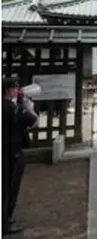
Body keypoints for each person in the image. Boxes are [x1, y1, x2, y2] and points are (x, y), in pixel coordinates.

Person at [2, 78, 38, 236]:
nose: (17, 91)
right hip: (11, 153)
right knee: (9, 187)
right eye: (15, 88)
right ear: (10, 90)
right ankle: (4, 222)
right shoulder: (13, 107)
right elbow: (34, 122)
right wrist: (27, 105)